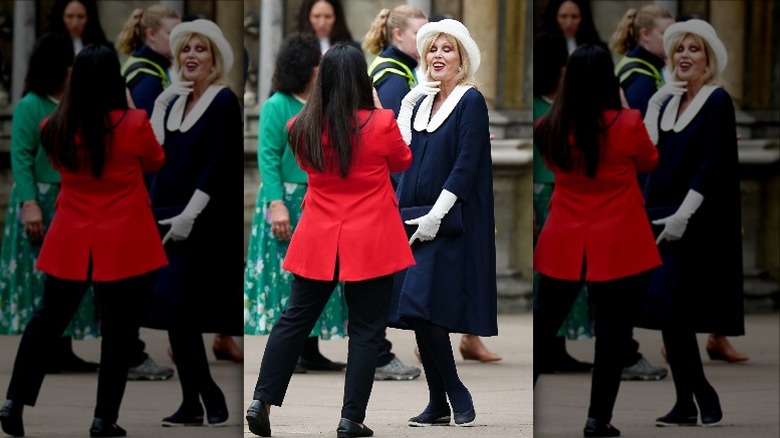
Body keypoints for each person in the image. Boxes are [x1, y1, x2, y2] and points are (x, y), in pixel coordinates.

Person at [245, 43, 414, 438]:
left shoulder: (299, 127)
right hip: (371, 238)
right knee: (366, 330)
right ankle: (350, 418)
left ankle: (262, 399)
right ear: (361, 79)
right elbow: (403, 161)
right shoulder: (382, 122)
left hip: (319, 235)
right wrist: (376, 107)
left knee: (294, 319)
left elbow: (307, 165)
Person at [0, 44, 167, 438]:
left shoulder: (54, 127)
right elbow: (156, 161)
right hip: (124, 238)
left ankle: (14, 401)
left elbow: (58, 164)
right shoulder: (134, 122)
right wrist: (129, 107)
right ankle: (103, 418)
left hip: (72, 236)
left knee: (46, 322)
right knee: (118, 331)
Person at [534, 44, 661, 438]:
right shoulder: (627, 122)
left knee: (543, 330)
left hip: (565, 240)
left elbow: (556, 165)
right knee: (612, 336)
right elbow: (650, 161)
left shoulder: (549, 127)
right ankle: (597, 419)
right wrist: (623, 106)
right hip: (620, 241)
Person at [390, 19, 496, 427]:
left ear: (462, 58)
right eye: (432, 49)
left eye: (447, 49)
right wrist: (406, 103)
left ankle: (454, 390)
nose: (438, 55)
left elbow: (466, 165)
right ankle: (437, 403)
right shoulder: (418, 103)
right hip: (412, 218)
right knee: (416, 310)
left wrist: (437, 214)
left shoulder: (471, 101)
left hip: (450, 222)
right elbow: (399, 154)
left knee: (425, 307)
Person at [640, 19, 744, 427]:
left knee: (674, 313)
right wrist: (652, 105)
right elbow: (647, 154)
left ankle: (696, 395)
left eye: (694, 49)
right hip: (660, 217)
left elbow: (713, 164)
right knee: (667, 313)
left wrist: (684, 215)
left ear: (708, 58)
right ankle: (691, 400)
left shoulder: (718, 100)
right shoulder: (666, 101)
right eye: (679, 49)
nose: (685, 55)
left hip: (697, 223)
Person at [146, 19, 242, 427]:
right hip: (164, 217)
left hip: (200, 224)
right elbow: (152, 156)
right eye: (186, 49)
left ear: (214, 58)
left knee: (179, 312)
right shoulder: (174, 102)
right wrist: (159, 106)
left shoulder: (223, 101)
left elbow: (218, 165)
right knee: (172, 315)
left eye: (201, 50)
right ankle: (197, 402)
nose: (191, 56)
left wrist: (189, 215)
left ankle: (206, 397)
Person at [244, 33, 348, 373]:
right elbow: (268, 158)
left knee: (319, 276)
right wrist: (277, 204)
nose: (320, 70)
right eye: (316, 64)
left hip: (318, 198)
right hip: (285, 199)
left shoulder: (327, 102)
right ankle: (292, 351)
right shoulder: (277, 105)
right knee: (286, 278)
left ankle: (311, 349)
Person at [0, 33, 101, 375]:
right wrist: (30, 203)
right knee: (40, 278)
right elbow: (21, 157)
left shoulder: (75, 102)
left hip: (70, 198)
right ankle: (45, 350)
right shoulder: (30, 105)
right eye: (69, 63)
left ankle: (65, 348)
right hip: (39, 198)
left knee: (71, 278)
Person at [360, 4, 431, 378]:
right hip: (387, 191)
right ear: (398, 35)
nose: (427, 41)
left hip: (383, 190)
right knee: (382, 278)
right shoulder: (392, 79)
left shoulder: (397, 70)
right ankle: (379, 354)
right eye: (420, 34)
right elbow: (392, 141)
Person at [531, 34, 593, 374]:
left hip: (570, 196)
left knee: (572, 276)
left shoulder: (571, 103)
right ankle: (550, 347)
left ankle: (560, 347)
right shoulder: (537, 106)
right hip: (542, 193)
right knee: (549, 276)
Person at [609, 5, 675, 117]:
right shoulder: (640, 78)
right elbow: (643, 125)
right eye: (665, 33)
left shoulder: (644, 64)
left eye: (674, 34)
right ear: (645, 34)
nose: (673, 40)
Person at [117, 5, 181, 117]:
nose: (180, 40)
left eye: (181, 34)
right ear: (151, 34)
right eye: (171, 33)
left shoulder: (144, 62)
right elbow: (148, 125)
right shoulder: (146, 78)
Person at [538, 0, 606, 55]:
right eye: (563, 16)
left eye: (574, 17)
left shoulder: (595, 46)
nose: (569, 23)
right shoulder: (542, 45)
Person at [46, 0, 114, 55]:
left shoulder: (102, 47)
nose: (75, 23)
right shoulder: (47, 46)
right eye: (69, 16)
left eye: (81, 17)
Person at [297, 0, 361, 54]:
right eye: (316, 16)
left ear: (337, 17)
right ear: (307, 17)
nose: (322, 23)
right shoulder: (296, 48)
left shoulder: (352, 49)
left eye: (328, 17)